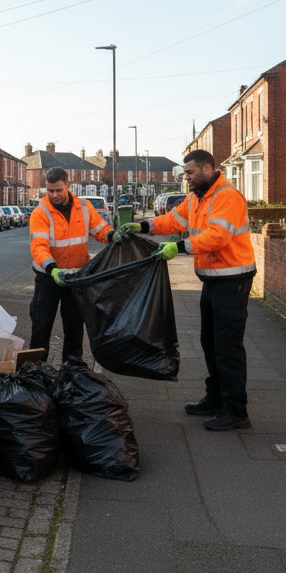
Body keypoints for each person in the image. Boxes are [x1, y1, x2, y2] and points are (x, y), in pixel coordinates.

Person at [119, 149, 256, 431]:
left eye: (191, 173)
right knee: (210, 342)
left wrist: (178, 247)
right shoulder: (197, 198)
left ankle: (235, 410)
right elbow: (172, 220)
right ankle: (216, 398)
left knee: (228, 347)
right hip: (213, 280)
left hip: (232, 280)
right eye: (185, 173)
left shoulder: (226, 196)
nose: (187, 178)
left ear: (208, 168)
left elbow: (217, 236)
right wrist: (143, 225)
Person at [28, 167, 112, 362]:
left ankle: (72, 371)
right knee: (41, 329)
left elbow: (100, 229)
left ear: (68, 186)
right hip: (48, 279)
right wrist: (53, 269)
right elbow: (39, 247)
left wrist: (113, 235)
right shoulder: (40, 212)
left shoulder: (83, 207)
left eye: (58, 190)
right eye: (50, 191)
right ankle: (35, 373)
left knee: (74, 329)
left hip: (76, 279)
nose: (54, 195)